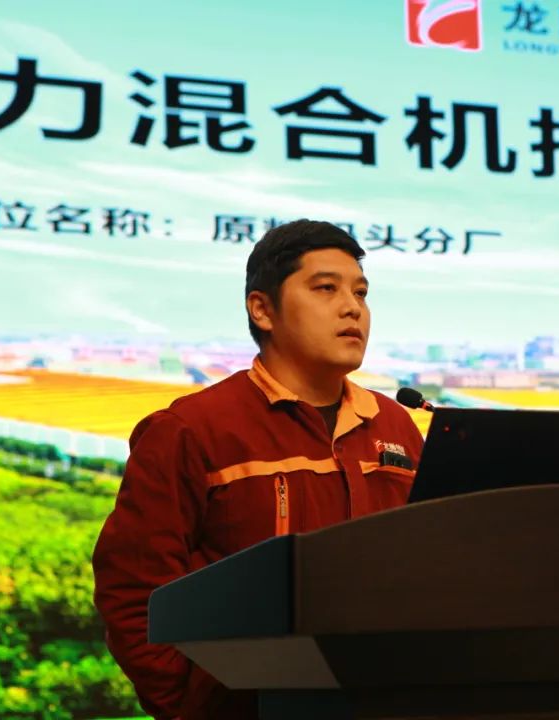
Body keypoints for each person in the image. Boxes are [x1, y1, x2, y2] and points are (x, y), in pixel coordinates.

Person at [92, 219, 424, 719]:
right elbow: (132, 588)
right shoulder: (192, 429)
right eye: (326, 288)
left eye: (360, 292)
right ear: (262, 309)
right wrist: (191, 703)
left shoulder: (394, 424)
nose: (352, 307)